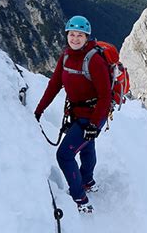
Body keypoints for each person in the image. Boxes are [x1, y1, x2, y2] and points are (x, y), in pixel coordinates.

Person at [34, 15, 112, 213]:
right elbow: (54, 85)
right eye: (72, 34)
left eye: (80, 35)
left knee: (64, 155)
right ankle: (87, 181)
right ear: (67, 35)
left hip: (94, 113)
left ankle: (80, 198)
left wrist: (94, 125)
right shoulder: (67, 56)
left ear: (87, 37)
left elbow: (105, 96)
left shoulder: (94, 60)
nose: (75, 39)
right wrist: (39, 109)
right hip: (77, 112)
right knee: (87, 147)